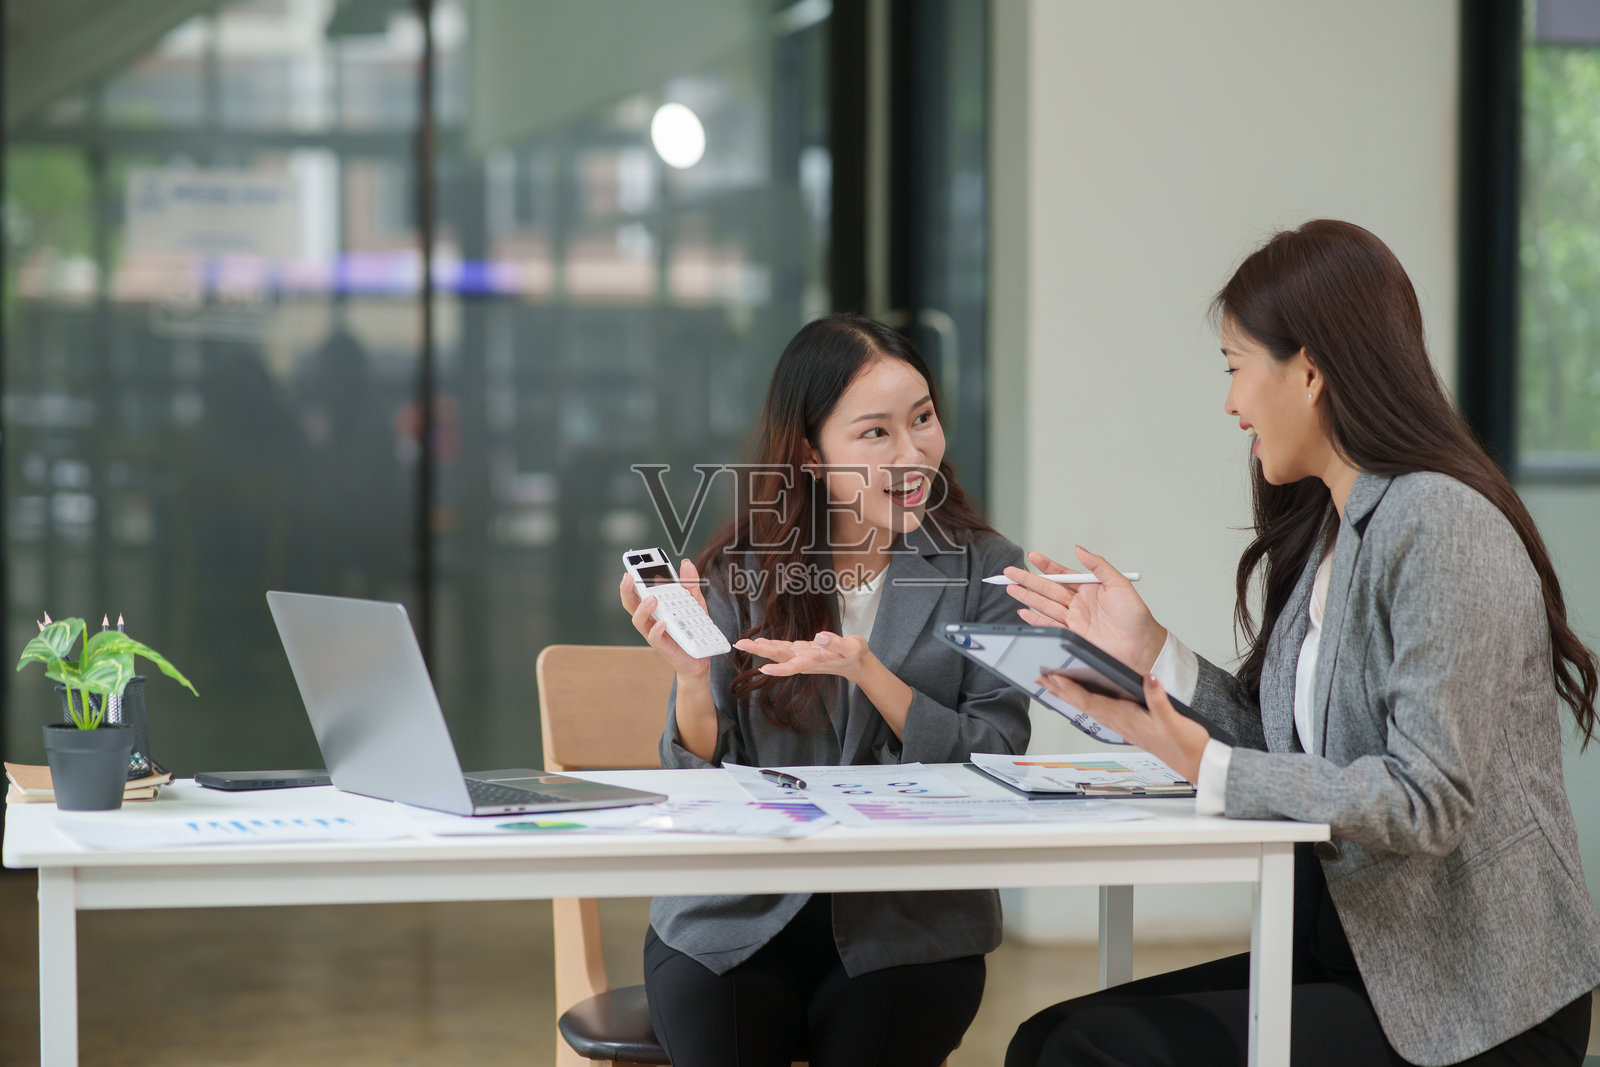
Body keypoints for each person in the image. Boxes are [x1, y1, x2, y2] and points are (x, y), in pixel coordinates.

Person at [1002, 220, 1600, 1067]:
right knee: (1042, 1040)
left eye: (1235, 369)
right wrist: (1152, 652)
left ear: (1310, 371)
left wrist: (1204, 764)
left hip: (1471, 1000)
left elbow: (1425, 799)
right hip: (1356, 957)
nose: (1230, 403)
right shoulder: (1331, 524)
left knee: (1095, 1052)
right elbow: (1286, 754)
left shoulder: (1440, 522)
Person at [619, 312, 1031, 1067]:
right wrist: (690, 681)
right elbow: (700, 785)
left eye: (923, 419)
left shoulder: (987, 570)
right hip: (735, 911)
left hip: (909, 917)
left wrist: (869, 673)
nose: (913, 453)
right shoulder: (740, 569)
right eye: (876, 433)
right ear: (811, 454)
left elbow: (999, 755)